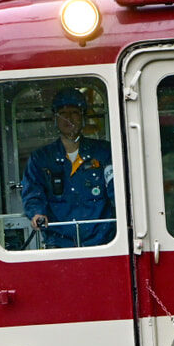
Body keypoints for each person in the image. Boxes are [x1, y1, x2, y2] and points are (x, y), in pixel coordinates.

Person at [20, 88, 116, 248]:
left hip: (103, 242)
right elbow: (33, 192)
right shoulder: (41, 158)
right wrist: (37, 213)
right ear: (55, 118)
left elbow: (117, 189)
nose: (68, 118)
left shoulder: (103, 152)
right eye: (63, 113)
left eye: (74, 112)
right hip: (59, 242)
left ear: (83, 116)